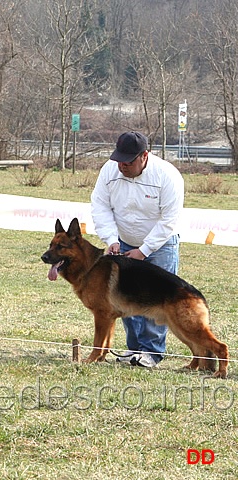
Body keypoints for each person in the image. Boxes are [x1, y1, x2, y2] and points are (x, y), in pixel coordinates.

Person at [91, 131, 184, 368]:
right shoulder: (109, 171)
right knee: (124, 298)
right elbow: (100, 206)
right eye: (119, 159)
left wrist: (144, 250)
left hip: (161, 245)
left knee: (157, 299)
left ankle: (151, 352)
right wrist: (111, 239)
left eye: (129, 161)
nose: (122, 165)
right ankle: (134, 350)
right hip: (123, 243)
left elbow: (169, 220)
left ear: (144, 156)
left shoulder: (168, 176)